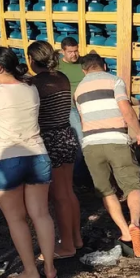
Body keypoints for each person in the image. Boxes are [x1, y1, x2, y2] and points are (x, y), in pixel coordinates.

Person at [0, 47, 58, 278]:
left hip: (5, 159)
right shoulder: (30, 88)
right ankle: (50, 268)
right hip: (37, 155)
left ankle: (31, 271)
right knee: (41, 214)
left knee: (16, 219)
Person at [74, 53, 140, 257]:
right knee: (132, 185)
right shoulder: (114, 80)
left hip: (91, 144)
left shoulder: (78, 90)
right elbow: (126, 110)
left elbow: (82, 120)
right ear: (104, 65)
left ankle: (125, 232)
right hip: (116, 140)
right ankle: (134, 224)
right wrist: (139, 133)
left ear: (84, 70)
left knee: (106, 191)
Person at [28, 41, 83, 259]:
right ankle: (76, 238)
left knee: (59, 196)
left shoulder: (35, 84)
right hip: (67, 135)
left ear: (32, 59)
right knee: (68, 192)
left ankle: (67, 245)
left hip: (50, 139)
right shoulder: (62, 78)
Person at [59, 37, 91, 185]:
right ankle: (79, 176)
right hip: (71, 108)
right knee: (80, 139)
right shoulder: (58, 66)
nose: (74, 54)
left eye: (76, 51)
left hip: (86, 105)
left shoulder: (83, 63)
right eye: (70, 52)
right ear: (63, 51)